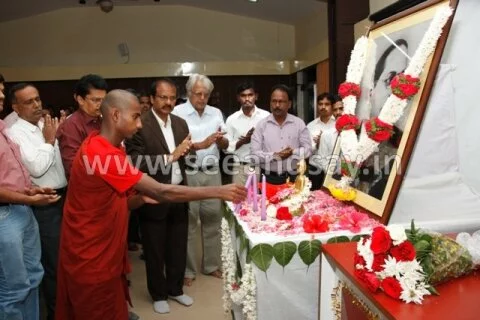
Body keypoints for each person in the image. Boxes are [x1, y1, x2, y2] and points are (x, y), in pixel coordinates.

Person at [55, 89, 245, 320]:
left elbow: (118, 201)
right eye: (135, 117)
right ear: (115, 115)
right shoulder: (100, 153)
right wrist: (219, 191)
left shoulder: (105, 145)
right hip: (90, 251)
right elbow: (161, 190)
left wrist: (138, 199)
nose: (139, 125)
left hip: (106, 244)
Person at [125, 79, 193, 314]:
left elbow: (186, 156)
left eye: (172, 98)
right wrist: (169, 157)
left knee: (178, 245)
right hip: (153, 194)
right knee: (155, 248)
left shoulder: (181, 123)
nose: (168, 102)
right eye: (163, 97)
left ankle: (176, 289)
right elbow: (134, 161)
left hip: (178, 192)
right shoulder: (139, 124)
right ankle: (158, 293)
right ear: (152, 99)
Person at [0, 74, 61, 320]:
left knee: (33, 277)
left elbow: (10, 176)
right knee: (13, 288)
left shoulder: (2, 128)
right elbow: (36, 167)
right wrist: (29, 199)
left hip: (22, 208)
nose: (1, 96)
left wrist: (30, 190)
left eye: (1, 91)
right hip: (6, 217)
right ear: (17, 108)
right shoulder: (14, 129)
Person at [172, 74, 229, 287]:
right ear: (188, 93)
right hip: (189, 173)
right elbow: (176, 144)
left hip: (213, 172)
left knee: (213, 219)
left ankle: (212, 265)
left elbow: (225, 144)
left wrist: (222, 141)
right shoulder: (177, 113)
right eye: (198, 94)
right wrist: (201, 144)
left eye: (206, 94)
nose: (203, 98)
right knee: (188, 223)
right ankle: (187, 270)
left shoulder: (216, 113)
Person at [251, 84, 312, 184]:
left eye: (281, 101)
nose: (277, 105)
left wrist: (292, 152)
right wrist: (275, 156)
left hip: (294, 177)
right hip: (269, 178)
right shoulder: (261, 125)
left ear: (289, 104)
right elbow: (254, 155)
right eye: (274, 101)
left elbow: (308, 150)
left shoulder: (299, 123)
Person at [57, 74, 108, 179]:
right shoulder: (71, 126)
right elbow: (73, 167)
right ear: (80, 100)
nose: (101, 104)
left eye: (104, 100)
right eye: (95, 100)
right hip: (87, 188)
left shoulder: (103, 120)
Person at [225, 82, 269, 185]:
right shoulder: (232, 119)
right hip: (239, 167)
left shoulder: (266, 116)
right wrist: (243, 141)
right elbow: (227, 148)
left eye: (250, 95)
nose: (247, 98)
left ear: (256, 96)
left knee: (259, 199)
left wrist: (257, 138)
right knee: (238, 199)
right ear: (238, 98)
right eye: (243, 95)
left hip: (260, 166)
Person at [306, 92, 336, 190]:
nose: (323, 107)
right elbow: (306, 150)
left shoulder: (338, 124)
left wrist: (325, 142)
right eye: (320, 104)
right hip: (315, 169)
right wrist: (317, 144)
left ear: (332, 106)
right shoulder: (310, 126)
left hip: (334, 168)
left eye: (327, 104)